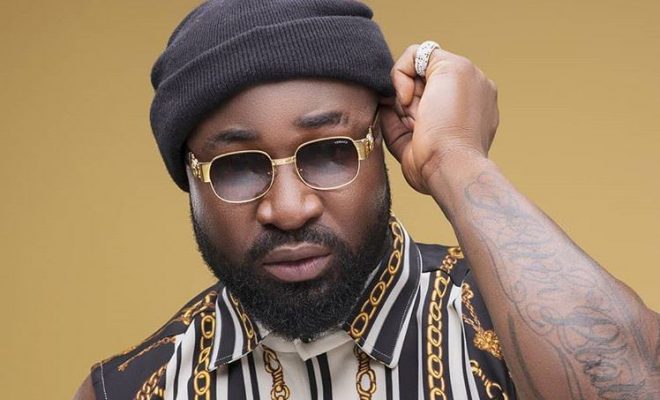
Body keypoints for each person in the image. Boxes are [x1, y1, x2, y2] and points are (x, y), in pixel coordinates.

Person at [74, 0, 660, 399]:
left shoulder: (507, 326)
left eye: (330, 152)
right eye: (238, 167)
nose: (289, 209)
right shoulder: (133, 388)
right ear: (190, 179)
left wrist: (456, 159)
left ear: (386, 141)